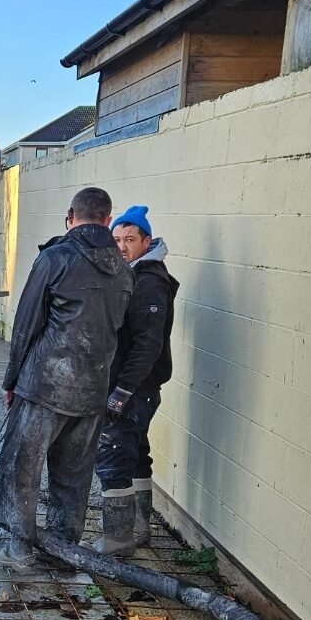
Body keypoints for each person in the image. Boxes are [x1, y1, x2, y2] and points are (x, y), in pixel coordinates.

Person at [0, 186, 132, 569]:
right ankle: (61, 553)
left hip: (44, 385)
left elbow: (26, 325)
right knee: (73, 476)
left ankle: (19, 549)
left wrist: (11, 381)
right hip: (92, 391)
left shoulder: (55, 258)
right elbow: (115, 328)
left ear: (70, 216)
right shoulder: (123, 269)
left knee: (22, 467)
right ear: (107, 219)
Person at [93, 204, 179, 555]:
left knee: (112, 454)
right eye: (117, 239)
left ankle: (117, 539)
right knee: (137, 454)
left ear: (147, 240)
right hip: (137, 388)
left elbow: (147, 344)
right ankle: (140, 530)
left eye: (130, 239)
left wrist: (121, 391)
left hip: (134, 389)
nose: (123, 245)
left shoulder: (149, 281)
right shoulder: (130, 273)